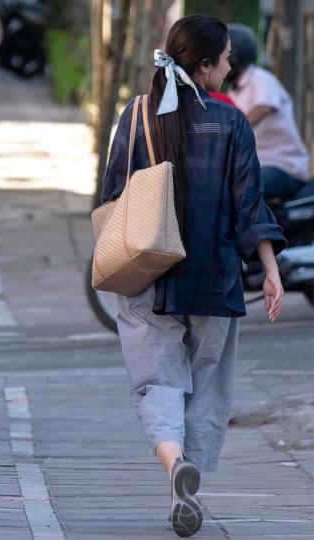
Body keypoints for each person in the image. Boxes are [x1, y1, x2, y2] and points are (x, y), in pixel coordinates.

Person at [101, 15, 286, 537]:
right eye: (225, 59)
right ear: (203, 65)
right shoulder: (232, 124)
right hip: (216, 277)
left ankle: (172, 463)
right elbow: (250, 206)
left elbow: (113, 198)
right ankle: (189, 477)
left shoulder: (136, 116)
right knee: (209, 388)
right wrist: (270, 272)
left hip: (149, 275)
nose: (230, 68)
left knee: (155, 383)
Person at [226, 23, 310, 200]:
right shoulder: (234, 91)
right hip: (257, 164)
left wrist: (234, 130)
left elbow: (264, 106)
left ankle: (260, 229)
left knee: (244, 190)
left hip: (283, 166)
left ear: (234, 57)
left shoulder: (260, 78)